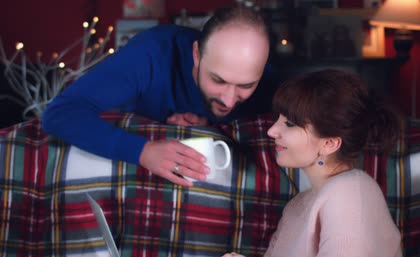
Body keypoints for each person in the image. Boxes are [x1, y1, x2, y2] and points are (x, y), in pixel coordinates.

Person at [42, 6, 274, 187]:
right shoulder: (152, 52)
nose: (229, 100)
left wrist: (210, 126)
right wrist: (142, 151)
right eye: (218, 80)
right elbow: (58, 114)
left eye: (245, 85)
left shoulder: (271, 82)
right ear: (196, 54)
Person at [204, 69, 403, 257]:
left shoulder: (349, 193)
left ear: (329, 143)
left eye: (290, 124)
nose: (272, 131)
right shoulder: (300, 203)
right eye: (278, 119)